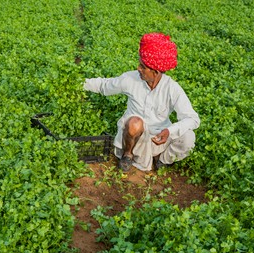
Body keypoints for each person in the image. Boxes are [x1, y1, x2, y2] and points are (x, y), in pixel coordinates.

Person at [83, 32, 200, 172]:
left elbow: (193, 119)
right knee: (135, 123)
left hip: (158, 136)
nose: (138, 68)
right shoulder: (130, 79)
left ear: (155, 72)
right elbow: (104, 86)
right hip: (133, 136)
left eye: (143, 66)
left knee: (189, 137)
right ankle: (128, 155)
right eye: (140, 64)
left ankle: (162, 160)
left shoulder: (172, 88)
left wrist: (169, 131)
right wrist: (79, 83)